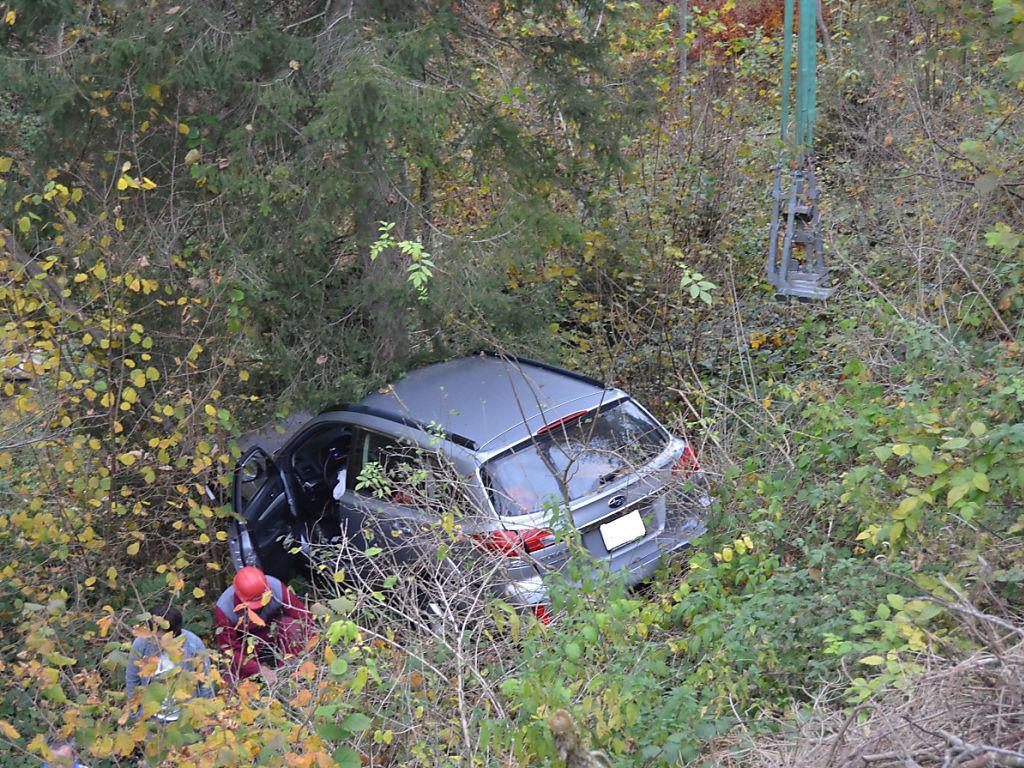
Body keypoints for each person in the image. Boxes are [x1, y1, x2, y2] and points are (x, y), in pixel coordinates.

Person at [214, 566, 311, 684]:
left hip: (271, 632)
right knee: (229, 673)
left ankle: (288, 674)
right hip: (245, 645)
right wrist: (258, 669)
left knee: (292, 627)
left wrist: (313, 646)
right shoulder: (224, 609)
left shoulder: (277, 588)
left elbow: (304, 618)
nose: (259, 607)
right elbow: (229, 652)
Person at [125, 604, 212, 722]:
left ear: (174, 634)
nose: (155, 641)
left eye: (161, 638)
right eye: (152, 636)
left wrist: (206, 718)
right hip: (151, 718)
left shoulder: (193, 644)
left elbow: (205, 683)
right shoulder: (141, 644)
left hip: (185, 718)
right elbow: (132, 680)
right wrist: (135, 715)